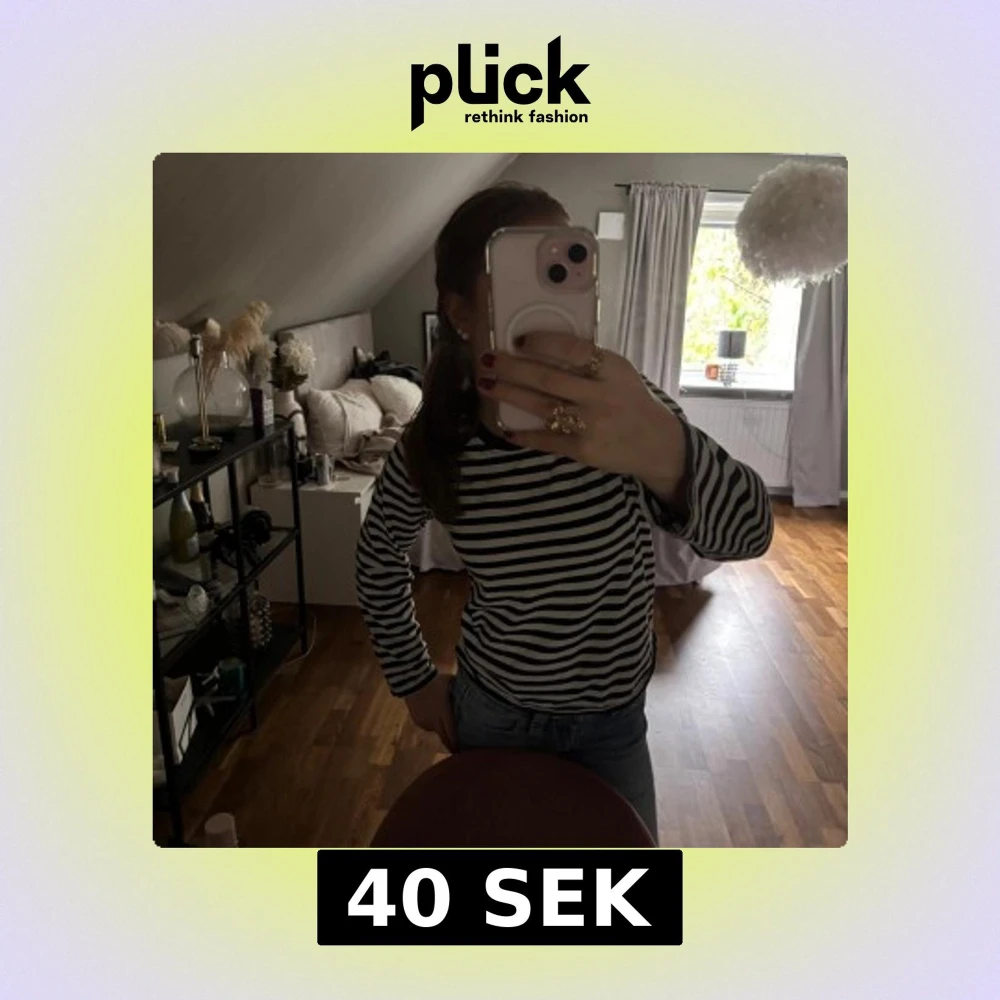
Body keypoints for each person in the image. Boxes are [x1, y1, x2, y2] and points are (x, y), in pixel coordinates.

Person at [355, 183, 773, 842]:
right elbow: (377, 553)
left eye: (566, 268)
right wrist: (414, 683)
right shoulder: (438, 441)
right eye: (522, 273)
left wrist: (664, 450)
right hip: (493, 716)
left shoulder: (627, 414)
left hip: (614, 724)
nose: (552, 300)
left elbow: (748, 533)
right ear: (460, 314)